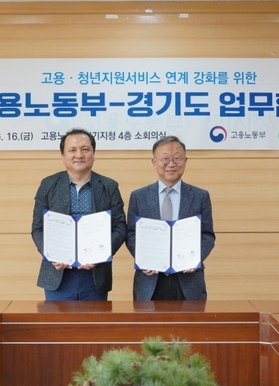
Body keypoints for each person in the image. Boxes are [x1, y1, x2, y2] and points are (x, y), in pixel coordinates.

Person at [31, 128, 127, 300]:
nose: (79, 155)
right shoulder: (48, 185)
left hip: (95, 275)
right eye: (72, 150)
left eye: (85, 149)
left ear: (93, 154)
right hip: (58, 275)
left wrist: (101, 254)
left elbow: (120, 227)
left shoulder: (109, 186)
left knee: (95, 319)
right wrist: (51, 254)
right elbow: (38, 228)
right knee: (55, 319)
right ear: (63, 156)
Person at [126, 136, 216, 301]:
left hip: (189, 280)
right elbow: (131, 234)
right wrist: (144, 258)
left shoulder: (200, 196)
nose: (171, 164)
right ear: (154, 162)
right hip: (150, 280)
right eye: (165, 159)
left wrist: (195, 258)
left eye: (177, 158)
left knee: (191, 319)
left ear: (185, 161)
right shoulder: (139, 196)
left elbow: (207, 235)